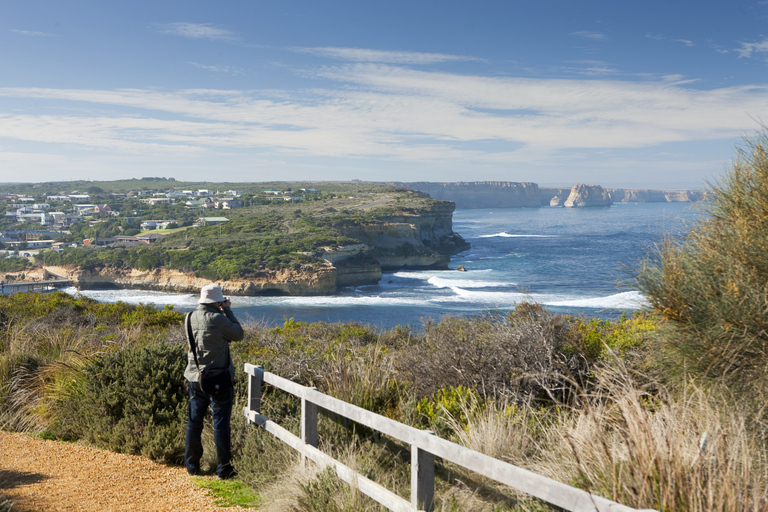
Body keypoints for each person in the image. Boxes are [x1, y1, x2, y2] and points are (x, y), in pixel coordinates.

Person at [184, 283, 244, 479]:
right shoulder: (218, 319)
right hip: (218, 378)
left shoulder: (189, 317)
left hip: (194, 376)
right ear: (217, 302)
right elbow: (238, 334)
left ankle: (192, 466)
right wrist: (228, 311)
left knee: (194, 423)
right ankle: (223, 469)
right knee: (220, 423)